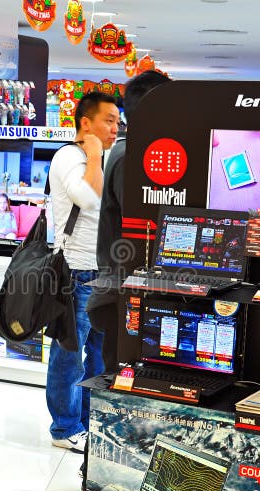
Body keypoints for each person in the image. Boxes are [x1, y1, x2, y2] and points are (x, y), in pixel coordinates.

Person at [46, 91, 119, 455]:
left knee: (101, 355)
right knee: (69, 354)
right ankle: (65, 426)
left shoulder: (103, 159)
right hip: (76, 272)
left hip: (104, 271)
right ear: (85, 123)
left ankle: (90, 421)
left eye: (118, 121)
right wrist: (92, 154)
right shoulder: (69, 157)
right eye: (108, 120)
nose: (115, 128)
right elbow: (87, 199)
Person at [87, 70, 171, 373]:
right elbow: (137, 224)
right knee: (119, 376)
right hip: (123, 292)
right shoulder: (130, 155)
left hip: (134, 287)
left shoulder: (140, 150)